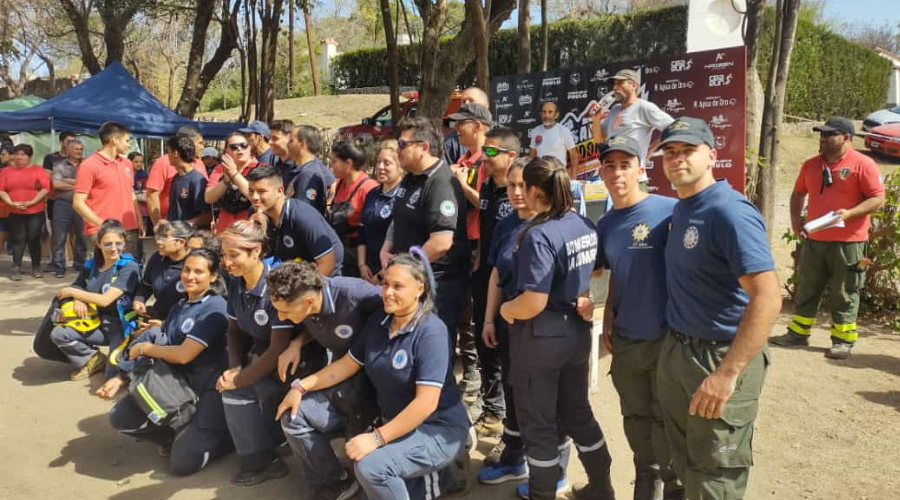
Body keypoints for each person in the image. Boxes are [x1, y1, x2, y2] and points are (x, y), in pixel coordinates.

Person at [276, 250, 471, 500]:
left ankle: (447, 471)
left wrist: (377, 438)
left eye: (398, 286)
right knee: (369, 472)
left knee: (371, 467)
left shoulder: (431, 331)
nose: (388, 292)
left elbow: (426, 403)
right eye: (385, 283)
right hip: (395, 422)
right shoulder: (380, 321)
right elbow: (346, 365)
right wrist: (299, 387)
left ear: (419, 288)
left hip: (436, 427)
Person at [656, 117, 781, 500]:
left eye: (688, 151)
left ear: (711, 155)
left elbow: (768, 297)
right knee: (683, 462)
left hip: (718, 355)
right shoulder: (683, 209)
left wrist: (727, 374)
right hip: (679, 350)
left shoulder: (728, 211)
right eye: (670, 152)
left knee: (715, 475)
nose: (677, 159)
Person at [498, 157, 614, 500]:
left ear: (534, 190)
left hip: (540, 340)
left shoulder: (538, 234)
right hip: (576, 334)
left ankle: (542, 493)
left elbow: (532, 300)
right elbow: (593, 273)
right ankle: (601, 486)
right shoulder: (581, 223)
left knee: (539, 425)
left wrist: (506, 310)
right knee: (578, 413)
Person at [594, 136, 682, 500]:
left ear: (641, 169)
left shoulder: (670, 211)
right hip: (628, 338)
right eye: (610, 165)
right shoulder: (606, 224)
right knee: (635, 418)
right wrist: (610, 317)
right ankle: (646, 481)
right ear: (601, 172)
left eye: (625, 164)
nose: (617, 172)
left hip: (668, 338)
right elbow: (613, 273)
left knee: (668, 419)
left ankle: (675, 487)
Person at [108, 248, 234, 475]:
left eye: (199, 271)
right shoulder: (180, 306)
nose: (190, 276)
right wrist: (123, 375)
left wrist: (144, 348)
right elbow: (166, 340)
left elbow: (184, 354)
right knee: (120, 417)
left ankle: (226, 438)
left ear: (214, 276)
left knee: (182, 464)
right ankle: (173, 434)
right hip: (176, 384)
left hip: (206, 389)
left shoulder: (215, 307)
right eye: (186, 270)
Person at [770, 117, 886, 359]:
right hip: (815, 239)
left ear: (846, 137)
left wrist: (851, 213)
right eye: (821, 134)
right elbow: (797, 194)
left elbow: (877, 198)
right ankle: (798, 333)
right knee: (808, 287)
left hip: (850, 242)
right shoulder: (811, 165)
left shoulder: (863, 164)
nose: (822, 138)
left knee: (845, 291)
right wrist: (794, 221)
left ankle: (843, 340)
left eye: (829, 134)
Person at [268, 261, 383, 500]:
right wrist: (296, 343)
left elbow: (404, 312)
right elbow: (317, 322)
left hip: (380, 390)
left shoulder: (357, 295)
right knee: (293, 416)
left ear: (308, 301)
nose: (280, 316)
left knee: (367, 469)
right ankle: (333, 482)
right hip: (343, 384)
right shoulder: (309, 304)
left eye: (285, 311)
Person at [215, 220, 299, 486]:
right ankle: (267, 443)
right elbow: (234, 330)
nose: (227, 262)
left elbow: (279, 348)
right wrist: (235, 367)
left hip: (295, 362)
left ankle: (264, 462)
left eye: (234, 255)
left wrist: (240, 380)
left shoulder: (276, 284)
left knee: (235, 391)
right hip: (262, 356)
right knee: (230, 380)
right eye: (224, 255)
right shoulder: (237, 282)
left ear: (256, 252)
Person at [380, 116, 472, 350]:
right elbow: (398, 218)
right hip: (411, 277)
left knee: (433, 349)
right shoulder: (410, 177)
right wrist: (386, 248)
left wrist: (404, 269)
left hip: (437, 283)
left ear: (423, 147)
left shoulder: (440, 182)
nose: (397, 149)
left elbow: (441, 242)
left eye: (402, 145)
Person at [470, 127, 518, 440]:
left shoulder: (521, 193)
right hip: (485, 278)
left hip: (512, 286)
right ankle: (492, 410)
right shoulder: (486, 186)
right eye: (483, 150)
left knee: (510, 356)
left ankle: (512, 430)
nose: (483, 157)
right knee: (484, 347)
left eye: (491, 152)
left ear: (511, 156)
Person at [49, 219, 141, 380]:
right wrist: (79, 298)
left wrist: (73, 292)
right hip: (95, 322)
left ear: (124, 243)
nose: (113, 248)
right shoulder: (91, 264)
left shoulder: (128, 267)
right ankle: (92, 359)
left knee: (113, 375)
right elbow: (78, 285)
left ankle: (124, 356)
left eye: (118, 243)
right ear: (98, 244)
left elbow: (105, 300)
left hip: (120, 327)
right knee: (59, 334)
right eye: (107, 244)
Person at [246, 164, 343, 276]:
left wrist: (300, 292)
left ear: (279, 191)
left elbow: (328, 264)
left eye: (261, 191)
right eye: (251, 191)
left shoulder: (301, 216)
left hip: (322, 276)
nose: (254, 197)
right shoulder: (256, 213)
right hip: (290, 273)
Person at [73, 121, 145, 259]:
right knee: (103, 274)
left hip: (129, 228)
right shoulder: (89, 166)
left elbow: (131, 193)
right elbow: (78, 203)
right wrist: (103, 225)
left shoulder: (127, 163)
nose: (128, 144)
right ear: (114, 139)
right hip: (102, 231)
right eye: (126, 140)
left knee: (130, 271)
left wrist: (139, 220)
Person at [590, 69, 674, 170]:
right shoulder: (614, 109)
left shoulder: (644, 107)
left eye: (620, 83)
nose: (615, 87)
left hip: (636, 177)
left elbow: (672, 126)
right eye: (614, 84)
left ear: (633, 85)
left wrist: (651, 149)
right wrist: (595, 120)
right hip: (614, 174)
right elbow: (600, 139)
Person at [0, 144, 50, 280]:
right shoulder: (6, 171)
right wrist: (11, 203)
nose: (18, 157)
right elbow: (1, 190)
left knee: (33, 238)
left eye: (22, 155)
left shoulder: (38, 170)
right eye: (16, 154)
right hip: (14, 211)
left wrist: (31, 202)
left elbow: (45, 188)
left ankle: (36, 266)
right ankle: (16, 267)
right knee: (18, 239)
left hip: (35, 211)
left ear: (29, 157)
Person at [329, 139, 378, 277]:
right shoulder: (338, 184)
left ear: (348, 163)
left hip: (357, 256)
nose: (331, 166)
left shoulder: (368, 188)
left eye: (334, 162)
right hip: (338, 248)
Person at [358, 140, 403, 283]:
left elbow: (401, 243)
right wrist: (362, 265)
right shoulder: (372, 194)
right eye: (378, 162)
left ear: (400, 166)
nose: (380, 167)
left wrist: (380, 277)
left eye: (387, 163)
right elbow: (362, 233)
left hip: (389, 274)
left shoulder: (403, 197)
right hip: (366, 271)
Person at [146, 125, 209, 227]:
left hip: (191, 232)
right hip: (171, 228)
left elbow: (206, 211)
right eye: (200, 143)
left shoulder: (199, 168)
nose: (202, 147)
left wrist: (185, 225)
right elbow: (152, 196)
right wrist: (159, 226)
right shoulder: (163, 164)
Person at [132, 220, 192, 320]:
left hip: (183, 320)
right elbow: (146, 286)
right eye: (159, 237)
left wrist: (164, 326)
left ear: (180, 242)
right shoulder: (157, 258)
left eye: (164, 238)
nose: (158, 242)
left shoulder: (194, 263)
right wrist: (139, 299)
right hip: (157, 315)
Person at [205, 132, 259, 234]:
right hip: (224, 230)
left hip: (249, 232)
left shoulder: (260, 168)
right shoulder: (219, 169)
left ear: (249, 147)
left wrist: (234, 173)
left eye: (244, 145)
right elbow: (208, 198)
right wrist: (225, 181)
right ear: (227, 150)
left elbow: (256, 195)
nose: (239, 149)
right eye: (234, 147)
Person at [50, 139, 88, 277]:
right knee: (59, 236)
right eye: (77, 149)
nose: (79, 152)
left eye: (81, 149)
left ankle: (80, 264)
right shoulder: (59, 164)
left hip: (83, 204)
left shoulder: (87, 165)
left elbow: (91, 185)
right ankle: (59, 266)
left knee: (82, 236)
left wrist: (66, 180)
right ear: (69, 150)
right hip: (62, 204)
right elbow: (56, 185)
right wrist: (79, 185)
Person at [283, 124, 334, 215]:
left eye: (291, 141)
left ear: (302, 144)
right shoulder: (300, 170)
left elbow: (302, 214)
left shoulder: (308, 175)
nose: (287, 144)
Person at [166, 134, 211, 227]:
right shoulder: (176, 178)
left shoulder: (198, 180)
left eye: (168, 152)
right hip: (175, 236)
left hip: (191, 237)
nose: (167, 155)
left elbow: (208, 216)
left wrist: (186, 224)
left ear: (175, 154)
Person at [444, 87, 491, 165]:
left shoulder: (489, 164)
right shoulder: (460, 163)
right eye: (463, 101)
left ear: (477, 126)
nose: (455, 127)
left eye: (461, 123)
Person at [528, 101, 579, 169]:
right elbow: (532, 154)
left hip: (558, 175)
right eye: (544, 112)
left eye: (550, 112)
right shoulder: (535, 131)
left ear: (556, 115)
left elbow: (573, 155)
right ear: (541, 114)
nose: (546, 115)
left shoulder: (564, 131)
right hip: (540, 175)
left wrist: (574, 175)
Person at [130, 151, 151, 236]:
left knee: (141, 235)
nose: (139, 164)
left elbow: (146, 193)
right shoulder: (125, 174)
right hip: (129, 211)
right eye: (136, 161)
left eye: (141, 162)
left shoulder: (144, 175)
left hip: (143, 211)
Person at [268, 119, 295, 183]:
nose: (270, 142)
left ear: (290, 139)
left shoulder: (298, 168)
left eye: (275, 138)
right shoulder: (276, 165)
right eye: (269, 138)